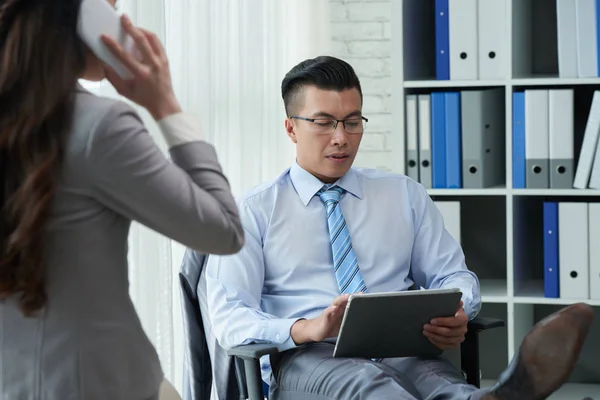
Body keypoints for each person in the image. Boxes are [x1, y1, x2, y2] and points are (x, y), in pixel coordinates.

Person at [205, 55, 594, 400]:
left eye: (352, 121)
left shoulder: (403, 194)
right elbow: (229, 317)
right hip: (308, 360)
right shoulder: (252, 210)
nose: (341, 138)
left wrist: (459, 309)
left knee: (445, 387)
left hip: (402, 349)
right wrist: (306, 327)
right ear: (291, 128)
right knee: (374, 388)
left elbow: (453, 274)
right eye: (323, 123)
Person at [0, 1, 244, 399]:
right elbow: (223, 231)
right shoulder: (101, 126)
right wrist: (164, 103)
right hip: (104, 383)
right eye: (112, 7)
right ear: (83, 18)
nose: (124, 22)